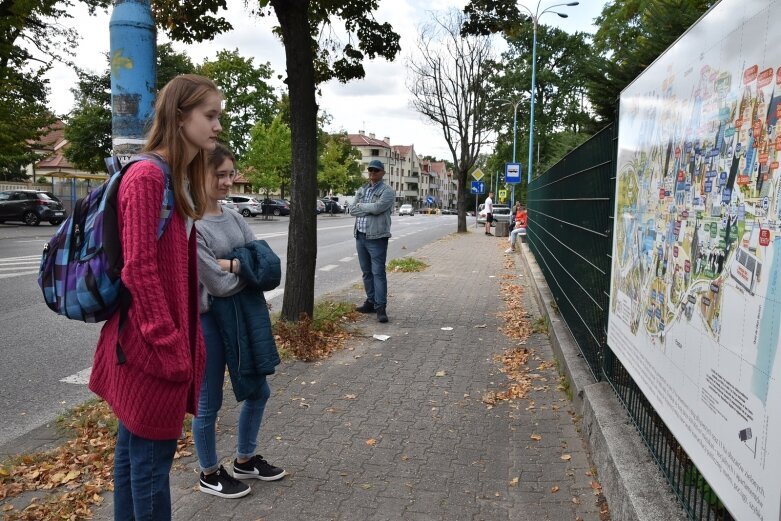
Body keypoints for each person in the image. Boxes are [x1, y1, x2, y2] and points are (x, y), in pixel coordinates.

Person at [88, 74, 221, 521]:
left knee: (133, 461)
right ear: (180, 116)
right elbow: (139, 270)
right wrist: (169, 346)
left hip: (151, 350)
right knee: (147, 471)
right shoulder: (148, 176)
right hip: (149, 354)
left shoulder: (172, 177)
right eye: (210, 115)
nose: (218, 125)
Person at [193, 144, 286, 499]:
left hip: (243, 316)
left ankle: (245, 461)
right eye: (219, 174)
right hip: (209, 323)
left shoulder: (232, 215)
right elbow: (215, 286)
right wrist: (247, 267)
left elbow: (266, 262)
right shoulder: (193, 225)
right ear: (198, 174)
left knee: (258, 390)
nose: (227, 181)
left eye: (230, 174)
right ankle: (209, 472)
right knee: (208, 401)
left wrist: (233, 264)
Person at [351, 159, 395, 323]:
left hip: (377, 237)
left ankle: (381, 307)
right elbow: (352, 210)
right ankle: (370, 301)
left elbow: (378, 208)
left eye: (376, 170)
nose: (372, 173)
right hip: (360, 235)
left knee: (378, 273)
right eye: (370, 170)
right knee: (366, 272)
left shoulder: (387, 191)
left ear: (382, 173)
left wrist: (362, 207)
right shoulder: (363, 189)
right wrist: (367, 208)